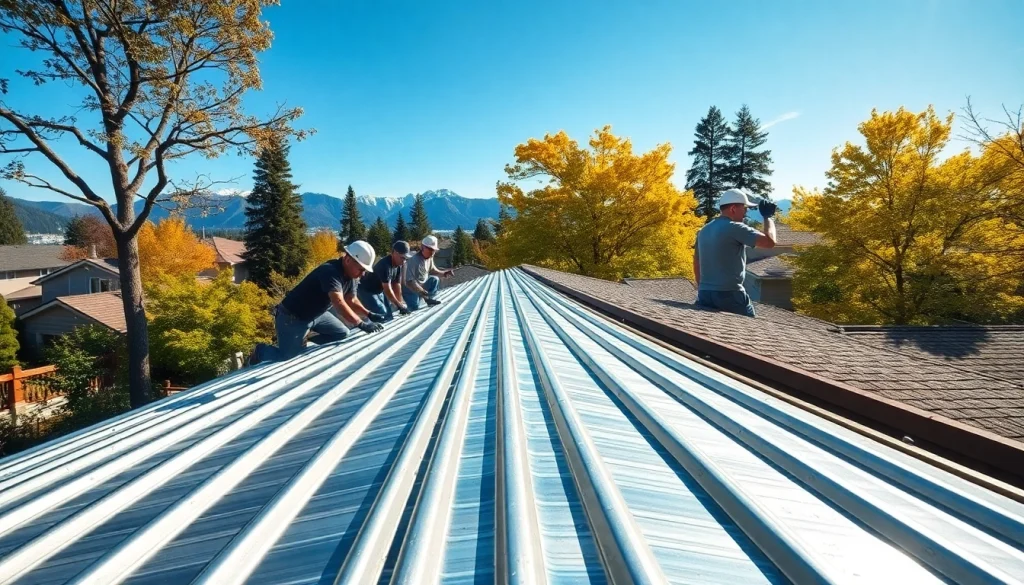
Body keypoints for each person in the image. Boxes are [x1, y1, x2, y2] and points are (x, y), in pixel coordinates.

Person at [250, 240, 385, 364]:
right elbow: (339, 302)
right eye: (361, 269)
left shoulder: (352, 276)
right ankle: (260, 351)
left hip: (317, 315)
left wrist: (369, 314)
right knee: (287, 357)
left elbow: (351, 299)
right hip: (293, 317)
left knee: (342, 334)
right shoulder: (330, 271)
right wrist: (361, 324)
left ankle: (305, 337)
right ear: (348, 260)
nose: (363, 274)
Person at [693, 189, 777, 317]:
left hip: (705, 293)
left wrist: (703, 289)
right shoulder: (735, 227)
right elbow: (769, 242)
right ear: (733, 208)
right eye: (744, 208)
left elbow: (696, 263)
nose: (745, 213)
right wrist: (768, 218)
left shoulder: (703, 231)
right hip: (730, 294)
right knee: (749, 325)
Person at [357, 240, 412, 321]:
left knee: (389, 316)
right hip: (367, 291)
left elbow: (397, 285)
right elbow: (387, 289)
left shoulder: (399, 266)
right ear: (395, 253)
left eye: (405, 259)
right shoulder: (384, 265)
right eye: (402, 258)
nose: (404, 261)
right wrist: (399, 305)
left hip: (379, 290)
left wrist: (401, 303)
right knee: (382, 314)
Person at [402, 234, 454, 310]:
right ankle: (420, 300)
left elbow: (433, 270)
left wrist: (444, 273)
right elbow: (410, 282)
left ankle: (430, 300)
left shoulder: (429, 258)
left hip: (421, 285)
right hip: (410, 288)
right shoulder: (413, 260)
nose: (432, 252)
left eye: (434, 250)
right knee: (414, 309)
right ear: (422, 247)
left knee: (434, 279)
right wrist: (422, 291)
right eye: (430, 249)